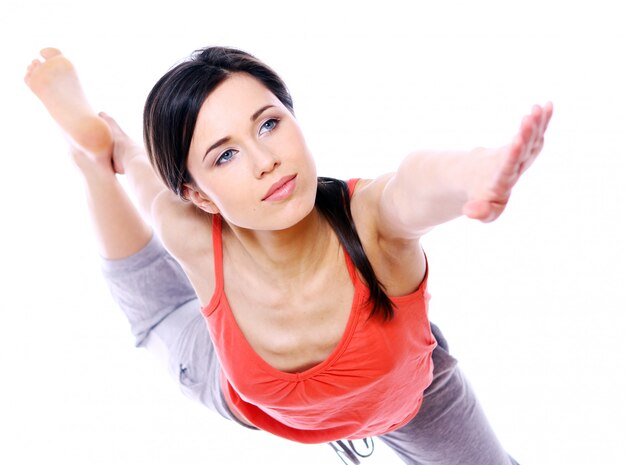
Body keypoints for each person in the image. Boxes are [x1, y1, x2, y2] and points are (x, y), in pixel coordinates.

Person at [25, 46, 552, 465]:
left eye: (269, 124)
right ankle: (95, 155)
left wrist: (478, 171)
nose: (266, 161)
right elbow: (148, 186)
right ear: (202, 194)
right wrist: (120, 154)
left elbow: (412, 184)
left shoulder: (370, 225)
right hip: (235, 385)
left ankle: (109, 149)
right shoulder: (191, 228)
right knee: (156, 311)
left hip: (410, 399)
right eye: (225, 154)